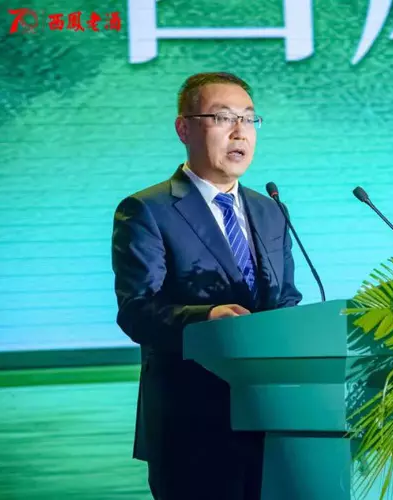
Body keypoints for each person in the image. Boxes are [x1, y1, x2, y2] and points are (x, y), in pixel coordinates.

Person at [111, 72, 303, 500]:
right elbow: (138, 311)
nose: (240, 132)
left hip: (272, 421)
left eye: (249, 119)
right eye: (223, 118)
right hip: (191, 428)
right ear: (184, 128)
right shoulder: (147, 210)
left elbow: (286, 299)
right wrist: (207, 318)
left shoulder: (271, 210)